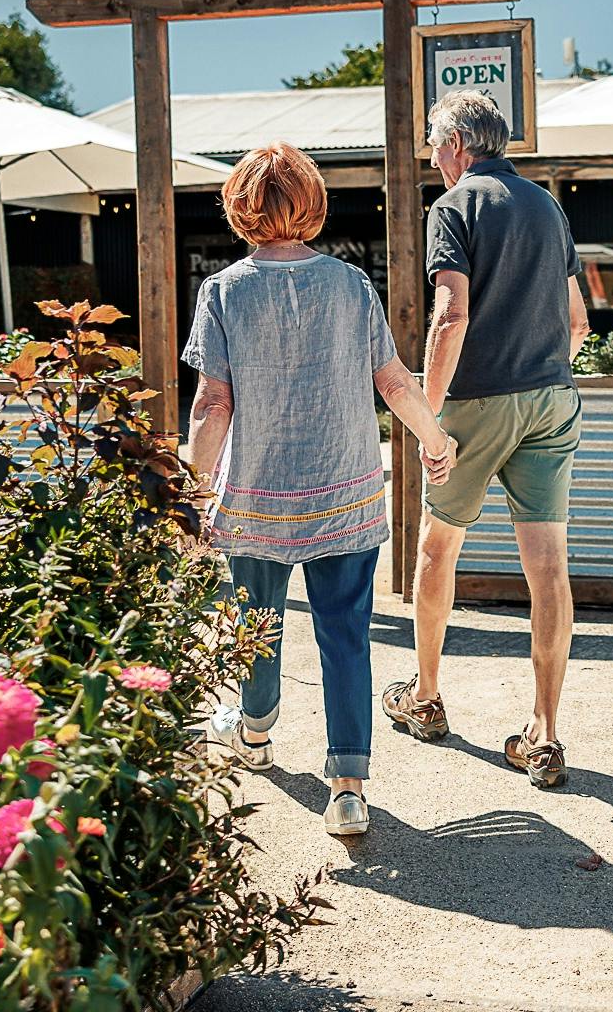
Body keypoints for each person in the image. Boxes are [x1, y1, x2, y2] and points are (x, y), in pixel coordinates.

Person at [183, 140, 457, 837]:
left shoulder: (223, 291)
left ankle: (256, 728)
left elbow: (213, 405)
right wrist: (433, 438)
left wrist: (192, 486)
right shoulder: (349, 285)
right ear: (312, 202)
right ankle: (347, 787)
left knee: (256, 627)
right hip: (346, 490)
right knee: (345, 636)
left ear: (240, 207)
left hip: (253, 495)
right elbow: (393, 380)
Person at [382, 90, 590, 789]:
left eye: (436, 145)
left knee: (436, 547)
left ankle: (427, 698)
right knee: (549, 568)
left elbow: (450, 317)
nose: (433, 158)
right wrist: (545, 372)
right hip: (554, 397)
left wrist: (428, 419)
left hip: (479, 402)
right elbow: (579, 322)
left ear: (459, 144)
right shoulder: (546, 205)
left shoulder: (455, 207)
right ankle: (545, 734)